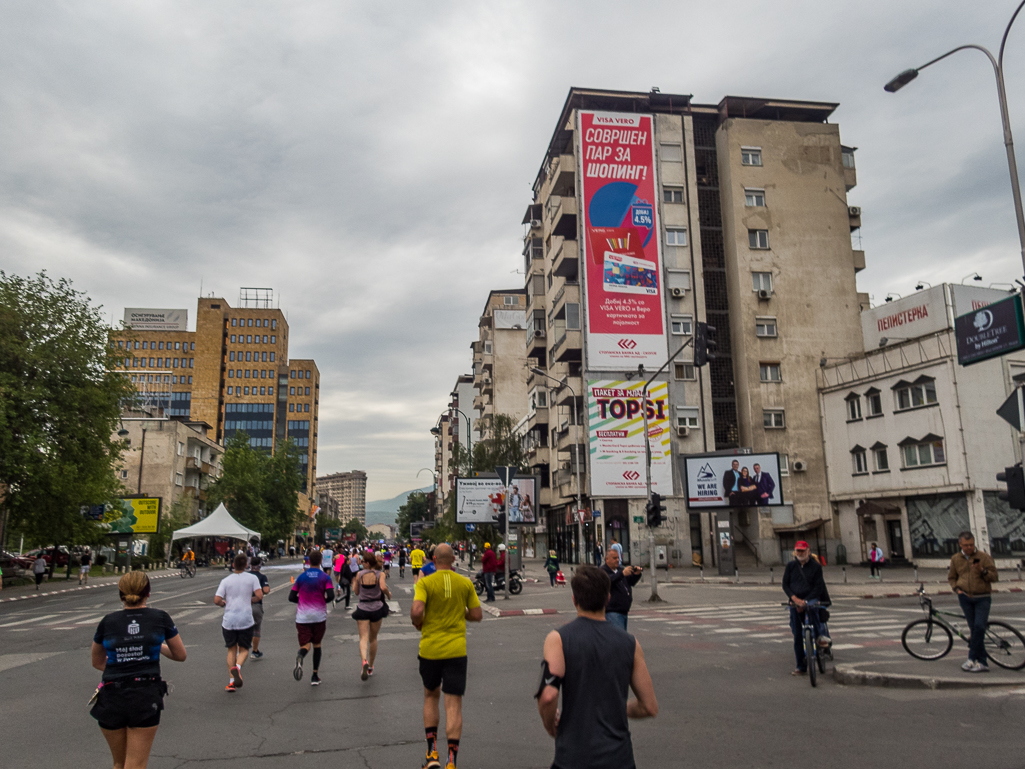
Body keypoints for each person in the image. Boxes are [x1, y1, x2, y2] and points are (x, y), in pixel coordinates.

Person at [536, 565, 658, 769]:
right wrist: (621, 708)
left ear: (574, 600)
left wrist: (550, 725)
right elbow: (649, 706)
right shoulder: (630, 644)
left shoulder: (558, 639)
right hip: (619, 758)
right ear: (608, 598)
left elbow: (548, 695)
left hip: (573, 758)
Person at [90, 571, 187, 769]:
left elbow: (97, 661)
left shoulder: (108, 621)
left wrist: (122, 663)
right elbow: (180, 655)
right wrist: (155, 645)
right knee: (135, 764)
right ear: (148, 593)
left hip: (111, 695)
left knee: (119, 763)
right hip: (144, 695)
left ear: (121, 595)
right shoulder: (160, 618)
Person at [410, 543, 483, 769]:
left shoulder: (425, 583)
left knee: (431, 697)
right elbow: (477, 614)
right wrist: (462, 614)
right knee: (454, 705)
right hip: (456, 651)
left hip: (430, 650)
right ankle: (452, 761)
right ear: (453, 559)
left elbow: (417, 611)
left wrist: (418, 623)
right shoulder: (465, 583)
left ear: (433, 559)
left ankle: (432, 754)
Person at [948, 530, 998, 673]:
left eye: (971, 545)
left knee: (979, 627)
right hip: (965, 598)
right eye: (966, 545)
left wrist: (982, 570)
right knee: (974, 630)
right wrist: (956, 588)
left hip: (982, 597)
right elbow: (952, 577)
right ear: (960, 544)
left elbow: (994, 577)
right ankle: (982, 662)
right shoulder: (956, 559)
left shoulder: (983, 557)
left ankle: (971, 658)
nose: (969, 548)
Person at [214, 553, 264, 692]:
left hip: (229, 620)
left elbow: (217, 600)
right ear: (246, 565)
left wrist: (223, 603)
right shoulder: (252, 578)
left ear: (233, 565)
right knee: (243, 650)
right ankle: (238, 667)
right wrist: (250, 600)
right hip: (245, 620)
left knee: (231, 649)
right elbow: (259, 595)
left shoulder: (226, 580)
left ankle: (231, 682)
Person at [782, 541, 831, 676]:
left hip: (811, 599)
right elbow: (785, 584)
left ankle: (820, 639)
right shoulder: (791, 566)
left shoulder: (815, 567)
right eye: (798, 551)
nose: (800, 553)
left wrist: (806, 601)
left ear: (808, 551)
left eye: (802, 551)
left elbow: (819, 587)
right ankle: (800, 667)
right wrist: (794, 599)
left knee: (815, 620)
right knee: (797, 635)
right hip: (795, 601)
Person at [289, 549, 335, 686]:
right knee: (317, 645)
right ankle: (315, 676)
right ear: (321, 561)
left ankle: (301, 655)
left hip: (302, 617)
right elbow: (331, 596)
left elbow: (291, 597)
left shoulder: (301, 577)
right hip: (319, 616)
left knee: (305, 645)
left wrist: (303, 601)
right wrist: (322, 601)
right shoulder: (325, 577)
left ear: (308, 561)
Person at [353, 551, 392, 681]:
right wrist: (388, 594)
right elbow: (383, 587)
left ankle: (364, 660)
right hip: (376, 607)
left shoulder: (359, 574)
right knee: (373, 638)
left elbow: (356, 592)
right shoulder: (380, 574)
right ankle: (370, 666)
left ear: (367, 563)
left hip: (363, 607)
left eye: (363, 561)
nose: (361, 563)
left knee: (363, 638)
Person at [602, 549, 643, 630]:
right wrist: (621, 574)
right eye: (614, 558)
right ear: (607, 559)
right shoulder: (603, 571)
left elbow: (631, 582)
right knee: (618, 638)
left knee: (621, 636)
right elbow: (608, 581)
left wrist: (637, 574)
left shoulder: (620, 570)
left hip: (623, 611)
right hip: (612, 611)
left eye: (618, 558)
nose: (617, 560)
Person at [249, 557, 271, 659]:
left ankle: (240, 650)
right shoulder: (262, 577)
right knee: (256, 629)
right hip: (256, 605)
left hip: (243, 605)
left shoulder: (245, 576)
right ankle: (255, 651)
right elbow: (266, 590)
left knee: (242, 629)